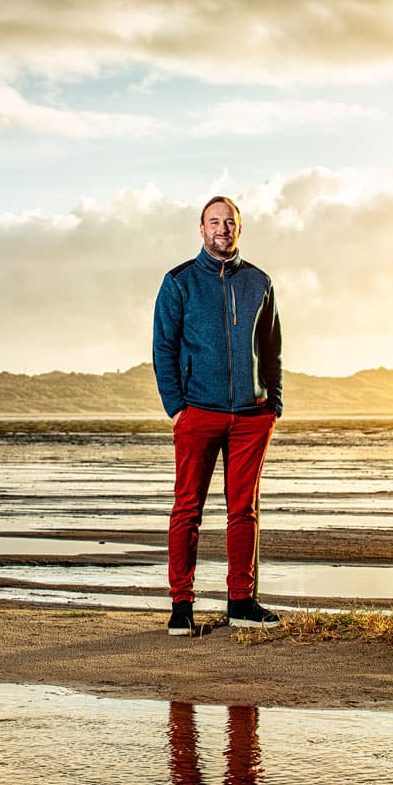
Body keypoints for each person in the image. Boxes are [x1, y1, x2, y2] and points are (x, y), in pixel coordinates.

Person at [152, 195, 282, 634]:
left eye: (230, 222)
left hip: (251, 416)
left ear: (239, 229)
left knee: (243, 511)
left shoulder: (259, 282)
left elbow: (271, 349)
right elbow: (164, 348)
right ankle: (181, 607)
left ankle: (241, 603)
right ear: (201, 229)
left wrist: (273, 404)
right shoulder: (179, 282)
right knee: (187, 509)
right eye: (214, 222)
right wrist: (177, 408)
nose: (222, 229)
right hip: (198, 413)